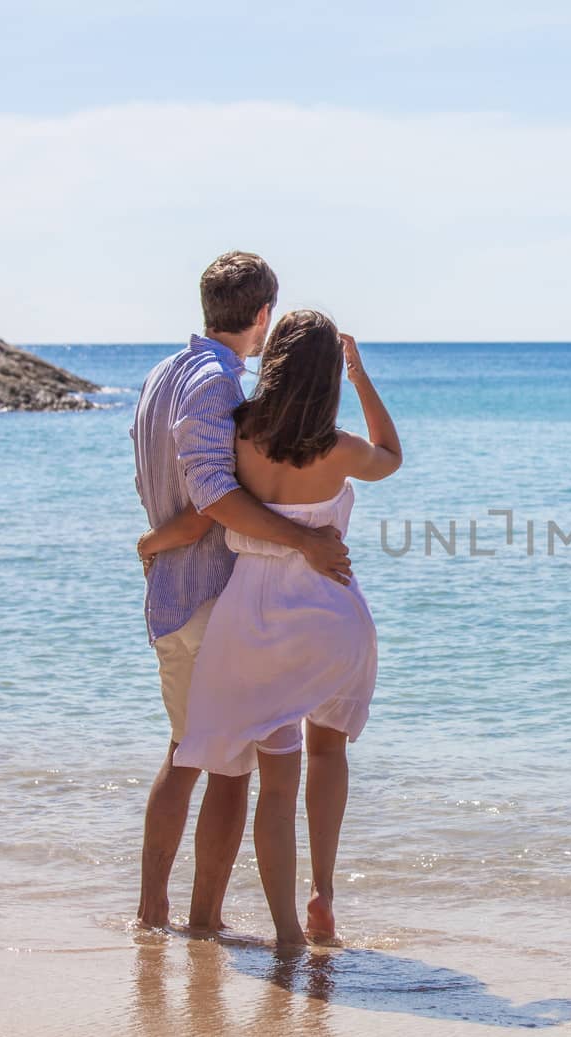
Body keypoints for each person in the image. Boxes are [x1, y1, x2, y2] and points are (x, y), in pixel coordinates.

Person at [143, 309, 402, 946]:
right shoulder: (339, 449)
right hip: (331, 614)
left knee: (271, 785)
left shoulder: (239, 435)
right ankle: (323, 895)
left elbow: (210, 505)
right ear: (325, 375)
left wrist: (152, 543)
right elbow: (392, 456)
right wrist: (361, 376)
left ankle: (284, 930)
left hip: (251, 619)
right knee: (329, 751)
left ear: (276, 360)